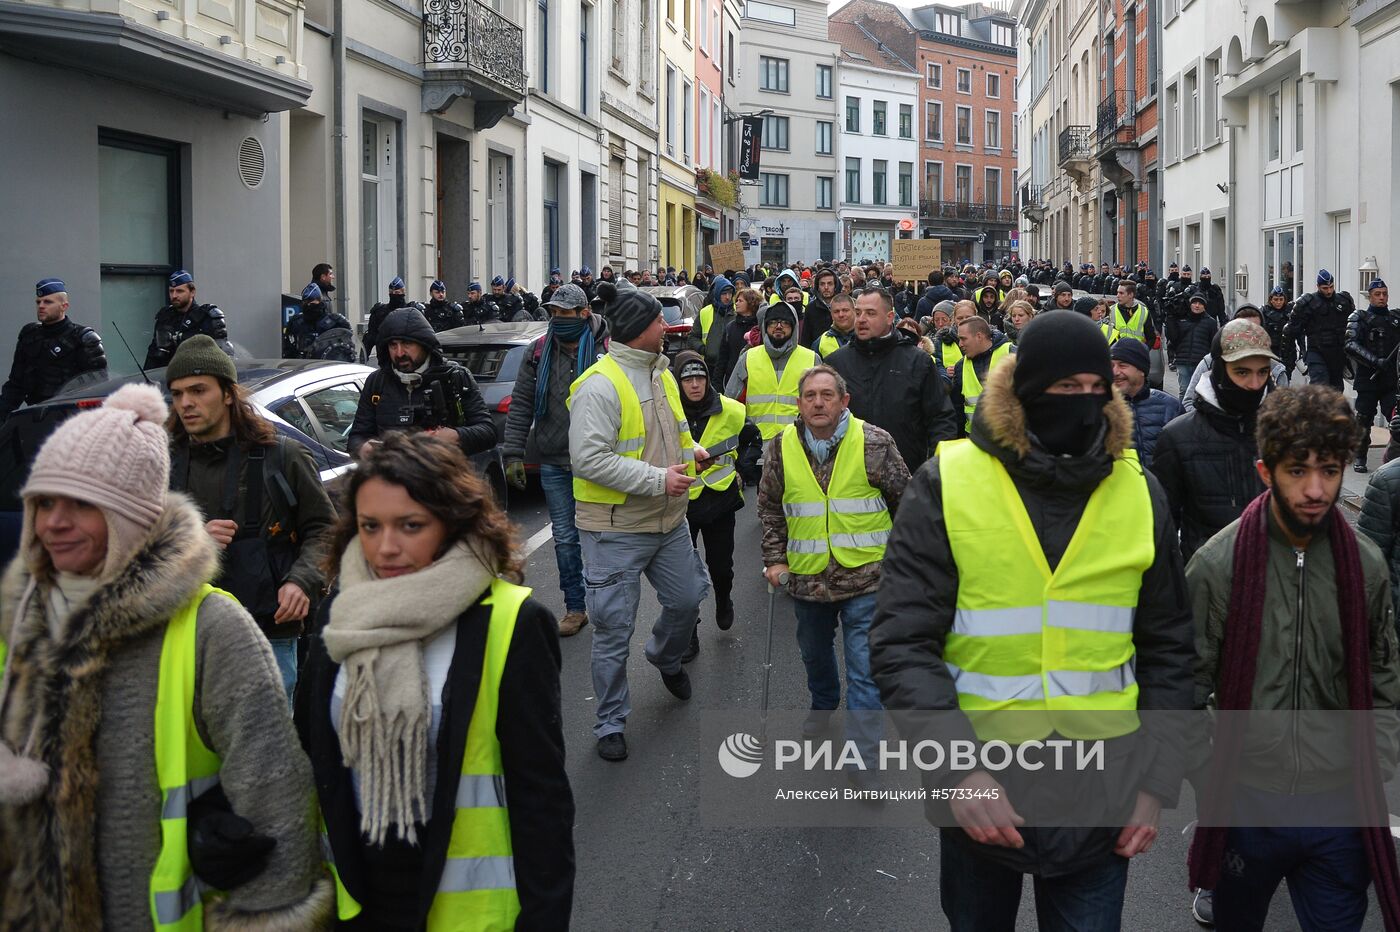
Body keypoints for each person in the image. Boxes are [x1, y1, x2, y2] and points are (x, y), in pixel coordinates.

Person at [870, 311, 1194, 932]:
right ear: (1024, 394)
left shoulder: (1139, 490)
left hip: (1104, 797)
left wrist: (1157, 783)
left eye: (1096, 389)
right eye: (1063, 389)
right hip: (980, 794)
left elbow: (1170, 648)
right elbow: (903, 642)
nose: (1081, 403)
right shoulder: (949, 482)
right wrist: (957, 769)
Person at [0, 383, 332, 928]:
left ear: (130, 517)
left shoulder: (211, 628)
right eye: (43, 503)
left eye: (81, 504)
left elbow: (278, 806)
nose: (52, 524)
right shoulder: (22, 621)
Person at [298, 432, 574, 929]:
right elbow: (313, 757)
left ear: (451, 522)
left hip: (466, 912)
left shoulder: (512, 622)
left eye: (410, 525)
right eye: (369, 526)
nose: (385, 547)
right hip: (358, 904)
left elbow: (542, 800)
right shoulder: (339, 618)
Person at [1187, 386, 1400, 932]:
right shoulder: (1218, 565)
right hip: (1247, 804)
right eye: (1297, 470)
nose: (1315, 489)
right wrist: (1213, 779)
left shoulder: (1366, 566)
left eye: (1330, 471)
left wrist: (1374, 767)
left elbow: (1384, 678)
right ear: (1266, 471)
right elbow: (1184, 687)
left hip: (1339, 808)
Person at [566, 287, 710, 762]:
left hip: (668, 521)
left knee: (688, 600)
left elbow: (679, 431)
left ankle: (665, 657)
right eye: (657, 322)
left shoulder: (661, 373)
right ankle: (610, 722)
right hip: (614, 529)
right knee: (612, 629)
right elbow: (588, 460)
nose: (666, 328)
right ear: (637, 330)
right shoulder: (600, 385)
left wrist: (693, 455)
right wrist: (656, 479)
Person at [165, 335, 337, 700]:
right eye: (177, 394)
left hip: (268, 632)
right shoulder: (162, 463)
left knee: (265, 745)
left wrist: (302, 582)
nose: (186, 403)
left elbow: (324, 529)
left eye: (198, 390)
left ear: (228, 394)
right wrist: (191, 542)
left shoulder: (282, 455)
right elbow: (129, 548)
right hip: (182, 633)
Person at [758, 365, 909, 776]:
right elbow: (771, 509)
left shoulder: (875, 443)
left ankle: (865, 762)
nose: (819, 402)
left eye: (828, 395)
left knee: (865, 671)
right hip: (806, 579)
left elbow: (906, 503)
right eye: (810, 396)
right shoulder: (780, 447)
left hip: (869, 578)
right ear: (799, 403)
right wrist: (774, 560)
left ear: (844, 401)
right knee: (814, 653)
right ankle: (823, 704)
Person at [502, 283, 608, 638]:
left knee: (597, 535)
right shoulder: (537, 352)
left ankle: (603, 603)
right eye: (554, 313)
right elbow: (520, 404)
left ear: (583, 313)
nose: (559, 319)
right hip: (553, 458)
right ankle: (575, 607)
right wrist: (514, 452)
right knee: (564, 537)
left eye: (566, 313)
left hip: (596, 459)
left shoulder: (606, 350)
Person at [1151, 319, 1276, 562]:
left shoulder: (1285, 433)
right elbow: (1160, 534)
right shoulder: (1178, 438)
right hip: (1205, 586)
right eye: (1241, 372)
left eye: (1262, 372)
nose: (1254, 385)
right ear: (1219, 370)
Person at [671, 351, 760, 661]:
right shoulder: (667, 412)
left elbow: (752, 438)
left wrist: (745, 466)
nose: (695, 385)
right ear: (678, 382)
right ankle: (689, 633)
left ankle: (724, 598)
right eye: (687, 379)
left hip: (720, 500)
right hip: (680, 504)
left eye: (700, 378)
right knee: (684, 576)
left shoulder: (731, 410)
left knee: (721, 568)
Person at [826, 286, 957, 473]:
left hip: (906, 473)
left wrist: (936, 467)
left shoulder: (917, 361)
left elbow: (940, 417)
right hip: (849, 476)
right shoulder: (836, 363)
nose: (861, 319)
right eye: (858, 312)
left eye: (870, 313)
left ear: (889, 317)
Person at [347, 307, 496, 459]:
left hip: (442, 477)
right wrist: (363, 448)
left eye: (407, 344)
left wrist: (456, 436)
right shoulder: (376, 382)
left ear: (423, 343)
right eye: (393, 345)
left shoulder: (455, 376)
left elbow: (488, 432)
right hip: (391, 476)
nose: (399, 353)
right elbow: (356, 437)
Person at [0, 278, 107, 422]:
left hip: (72, 421)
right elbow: (15, 385)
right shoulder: (29, 336)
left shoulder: (84, 339)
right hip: (36, 418)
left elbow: (98, 389)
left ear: (64, 306)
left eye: (48, 302)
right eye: (38, 302)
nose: (41, 306)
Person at [725, 301, 821, 442]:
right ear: (765, 326)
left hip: (799, 445)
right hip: (757, 447)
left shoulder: (811, 359)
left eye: (785, 322)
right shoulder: (748, 357)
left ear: (794, 326)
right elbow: (730, 403)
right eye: (773, 322)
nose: (778, 327)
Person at [1345, 278, 1400, 472]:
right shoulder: (1359, 318)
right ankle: (1360, 455)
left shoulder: (1395, 319)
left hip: (1390, 380)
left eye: (1385, 294)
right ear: (1370, 296)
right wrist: (1375, 361)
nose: (1382, 298)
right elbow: (1350, 345)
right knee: (1364, 419)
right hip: (1368, 378)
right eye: (1378, 294)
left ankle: (1395, 457)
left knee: (1396, 418)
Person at [1111, 337, 1183, 468]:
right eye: (1111, 365)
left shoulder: (1170, 407)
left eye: (1122, 365)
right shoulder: (1102, 408)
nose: (1115, 372)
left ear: (1142, 370)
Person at [144, 269, 234, 370]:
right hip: (166, 379)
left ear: (192, 292)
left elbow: (224, 358)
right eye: (171, 291)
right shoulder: (165, 317)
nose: (174, 296)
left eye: (179, 291)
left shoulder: (207, 317)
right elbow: (152, 357)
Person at [1283, 269, 1355, 390]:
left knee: (1336, 392)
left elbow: (1353, 326)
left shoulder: (1343, 301)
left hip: (1338, 353)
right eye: (1325, 288)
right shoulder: (1308, 303)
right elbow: (1291, 330)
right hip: (1316, 352)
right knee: (1319, 387)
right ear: (1318, 286)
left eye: (1331, 287)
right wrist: (1288, 358)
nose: (1329, 291)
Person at [949, 315, 1015, 436]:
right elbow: (956, 410)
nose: (960, 344)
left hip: (1009, 439)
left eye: (963, 339)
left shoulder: (1012, 353)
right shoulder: (961, 366)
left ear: (979, 336)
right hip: (974, 441)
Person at [1166, 293, 1220, 401]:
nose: (1197, 306)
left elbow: (1213, 343)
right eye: (1194, 303)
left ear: (1204, 306)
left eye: (1200, 303)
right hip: (1183, 361)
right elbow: (1173, 338)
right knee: (1184, 390)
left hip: (1200, 363)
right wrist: (1170, 318)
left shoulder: (1210, 322)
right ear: (1190, 304)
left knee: (1199, 391)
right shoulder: (1182, 320)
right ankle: (1183, 414)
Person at [283, 283, 354, 360]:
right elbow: (289, 348)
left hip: (329, 365)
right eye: (306, 302)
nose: (309, 305)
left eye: (312, 302)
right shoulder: (296, 322)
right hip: (304, 365)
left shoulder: (336, 321)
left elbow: (348, 346)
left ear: (319, 301)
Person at [692, 274, 736, 377]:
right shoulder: (705, 312)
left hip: (731, 367)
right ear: (717, 294)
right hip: (709, 366)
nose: (727, 297)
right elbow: (693, 337)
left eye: (730, 293)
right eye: (724, 293)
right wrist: (704, 350)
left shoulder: (737, 312)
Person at [719, 288, 763, 386]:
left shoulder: (760, 327)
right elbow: (723, 357)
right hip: (732, 379)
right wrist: (717, 383)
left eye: (740, 301)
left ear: (751, 303)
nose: (736, 303)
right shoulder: (730, 327)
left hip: (755, 379)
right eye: (736, 301)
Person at [364, 276, 415, 359]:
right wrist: (364, 358)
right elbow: (370, 337)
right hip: (385, 356)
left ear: (403, 292)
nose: (394, 295)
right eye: (392, 292)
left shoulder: (411, 311)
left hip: (407, 356)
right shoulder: (380, 312)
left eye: (397, 293)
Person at [1109, 279, 1158, 347]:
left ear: (1131, 295)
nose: (1117, 295)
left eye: (1121, 293)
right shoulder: (1111, 310)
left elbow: (1151, 338)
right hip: (1116, 355)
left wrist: (1142, 352)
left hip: (1135, 354)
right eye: (1117, 292)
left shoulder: (1143, 311)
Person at [1259, 286, 1295, 376]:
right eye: (1276, 299)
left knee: (1285, 376)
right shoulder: (1264, 312)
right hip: (1270, 349)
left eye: (1281, 299)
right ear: (1271, 300)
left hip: (1287, 350)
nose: (1278, 302)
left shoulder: (1290, 311)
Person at [803, 268, 837, 350]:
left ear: (835, 285)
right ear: (818, 287)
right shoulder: (811, 308)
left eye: (830, 284)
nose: (826, 287)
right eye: (822, 284)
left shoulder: (843, 305)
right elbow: (806, 338)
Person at [816, 292, 857, 356]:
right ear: (831, 314)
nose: (841, 315)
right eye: (836, 311)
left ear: (855, 311)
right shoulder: (820, 342)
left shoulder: (867, 337)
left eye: (845, 310)